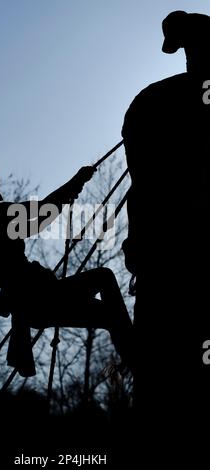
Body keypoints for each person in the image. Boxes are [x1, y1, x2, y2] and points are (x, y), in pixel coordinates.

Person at [0, 167, 133, 376]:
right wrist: (77, 180)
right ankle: (133, 353)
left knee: (109, 314)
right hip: (42, 297)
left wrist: (68, 193)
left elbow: (39, 220)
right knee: (104, 278)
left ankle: (132, 354)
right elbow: (43, 211)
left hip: (35, 306)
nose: (0, 195)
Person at [121, 10, 210, 463]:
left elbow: (144, 188)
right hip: (175, 262)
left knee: (160, 384)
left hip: (161, 267)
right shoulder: (161, 102)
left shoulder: (152, 103)